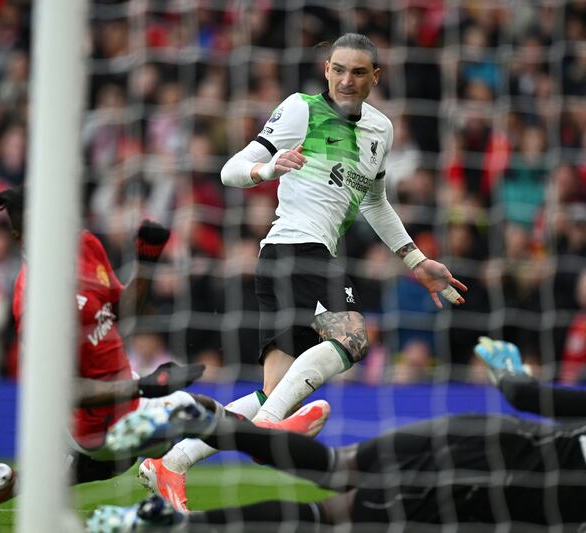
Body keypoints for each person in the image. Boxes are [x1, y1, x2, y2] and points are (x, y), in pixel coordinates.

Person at [140, 32, 469, 510]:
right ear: (327, 71)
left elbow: (375, 202)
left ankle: (172, 463)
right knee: (354, 337)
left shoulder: (381, 130)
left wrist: (415, 260)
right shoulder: (300, 108)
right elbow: (231, 169)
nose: (346, 80)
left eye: (358, 72)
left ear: (375, 77)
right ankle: (272, 426)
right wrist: (268, 169)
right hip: (295, 246)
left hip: (296, 258)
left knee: (275, 389)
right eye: (338, 69)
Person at [0, 163, 210, 525]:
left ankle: (11, 483)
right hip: (90, 414)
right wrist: (141, 385)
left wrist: (146, 262)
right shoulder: (32, 296)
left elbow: (119, 317)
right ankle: (271, 424)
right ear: (19, 235)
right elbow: (61, 388)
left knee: (94, 468)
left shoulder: (85, 244)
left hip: (120, 388)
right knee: (198, 414)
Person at [89, 338, 586, 530]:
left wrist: (510, 374)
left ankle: (206, 423)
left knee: (338, 468)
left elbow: (526, 398)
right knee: (332, 514)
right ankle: (175, 523)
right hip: (501, 491)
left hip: (491, 435)